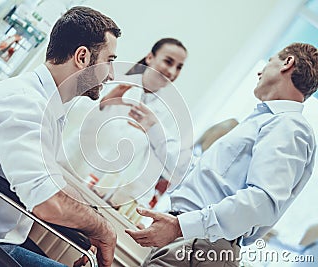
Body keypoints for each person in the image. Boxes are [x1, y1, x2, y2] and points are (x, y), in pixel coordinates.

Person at [0, 6, 121, 267]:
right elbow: (47, 202)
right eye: (109, 61)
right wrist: (102, 230)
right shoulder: (23, 102)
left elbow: (53, 182)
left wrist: (95, 219)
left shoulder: (41, 103)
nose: (111, 74)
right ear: (83, 57)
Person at [125, 42, 318, 266]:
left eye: (270, 61)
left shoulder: (290, 126)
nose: (260, 71)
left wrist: (180, 226)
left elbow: (261, 202)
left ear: (287, 63)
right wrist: (154, 129)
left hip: (199, 246)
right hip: (191, 241)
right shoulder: (267, 122)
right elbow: (198, 173)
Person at [62, 38, 192, 210]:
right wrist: (103, 104)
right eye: (168, 61)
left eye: (179, 67)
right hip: (72, 170)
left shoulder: (167, 114)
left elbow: (154, 163)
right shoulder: (114, 81)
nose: (172, 71)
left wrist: (139, 205)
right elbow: (71, 114)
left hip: (106, 197)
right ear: (150, 57)